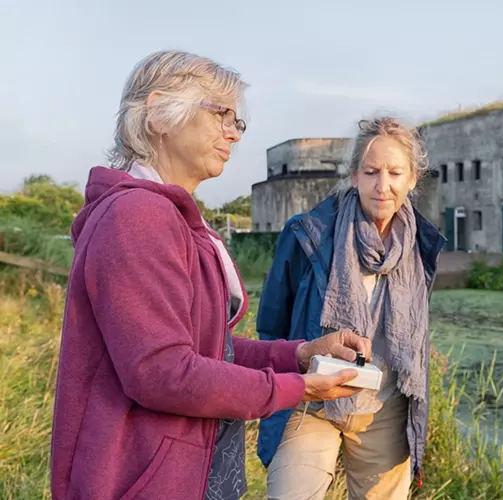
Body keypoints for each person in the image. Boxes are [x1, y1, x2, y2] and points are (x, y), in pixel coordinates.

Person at [50, 50, 372, 500]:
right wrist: (294, 388)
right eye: (221, 114)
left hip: (184, 470)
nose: (232, 134)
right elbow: (162, 372)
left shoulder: (171, 217)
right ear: (159, 114)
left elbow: (205, 350)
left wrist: (299, 354)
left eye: (237, 122)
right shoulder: (136, 216)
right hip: (144, 480)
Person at [256, 116, 446, 499]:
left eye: (395, 173)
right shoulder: (307, 233)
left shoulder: (420, 244)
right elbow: (272, 324)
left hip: (385, 408)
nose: (383, 185)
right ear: (354, 175)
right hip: (312, 400)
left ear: (412, 179)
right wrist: (283, 385)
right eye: (371, 171)